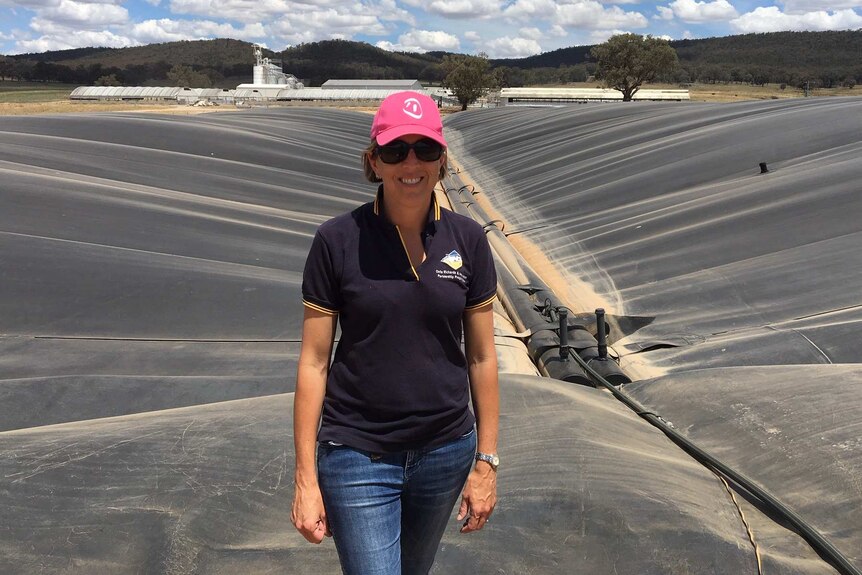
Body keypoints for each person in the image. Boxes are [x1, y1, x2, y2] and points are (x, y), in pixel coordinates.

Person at [291, 91, 500, 575]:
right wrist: (305, 477)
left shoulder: (467, 239)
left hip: (446, 450)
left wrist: (486, 462)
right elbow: (314, 361)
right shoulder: (337, 240)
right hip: (358, 454)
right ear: (374, 161)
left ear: (442, 160)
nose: (411, 162)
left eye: (425, 149)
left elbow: (482, 358)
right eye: (395, 150)